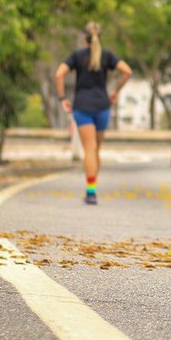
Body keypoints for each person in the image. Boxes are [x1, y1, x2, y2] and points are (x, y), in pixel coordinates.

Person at [54, 22, 133, 205]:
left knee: (89, 149)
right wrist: (115, 92)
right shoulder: (107, 56)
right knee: (96, 149)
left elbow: (59, 75)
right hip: (102, 107)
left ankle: (91, 192)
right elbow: (127, 71)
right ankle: (93, 188)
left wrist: (62, 98)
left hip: (82, 106)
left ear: (84, 39)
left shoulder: (77, 56)